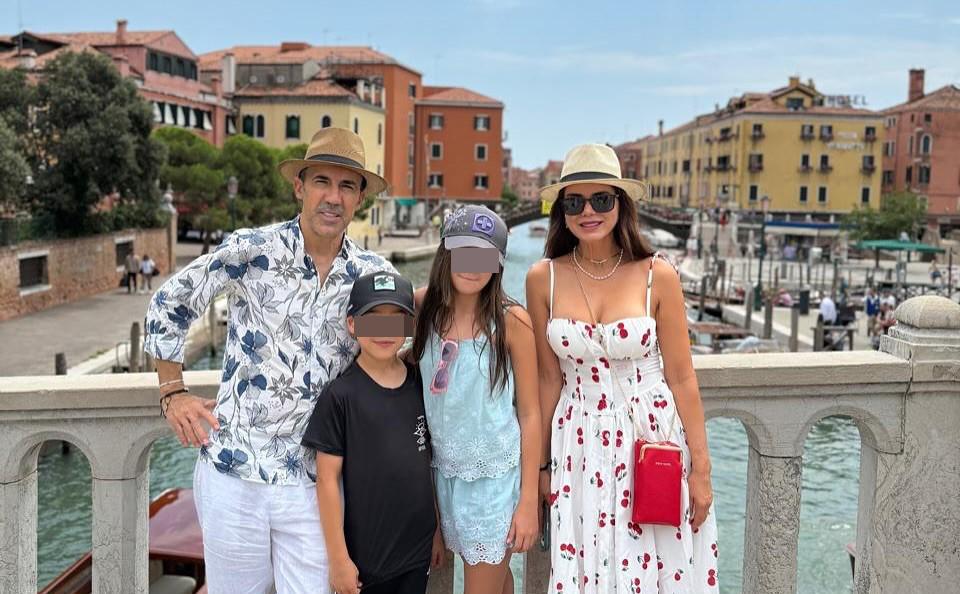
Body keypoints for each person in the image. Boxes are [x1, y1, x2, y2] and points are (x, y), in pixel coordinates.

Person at [144, 128, 396, 594]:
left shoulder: (372, 277)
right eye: (322, 182)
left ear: (360, 198)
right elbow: (170, 302)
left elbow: (415, 331)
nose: (333, 197)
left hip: (315, 483)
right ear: (299, 187)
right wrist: (172, 391)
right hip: (235, 473)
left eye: (347, 186)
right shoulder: (252, 250)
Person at [526, 143, 718, 592]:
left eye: (601, 199)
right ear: (561, 212)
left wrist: (702, 469)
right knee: (587, 566)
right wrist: (540, 466)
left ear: (621, 203)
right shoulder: (542, 278)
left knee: (657, 568)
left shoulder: (658, 274)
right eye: (574, 202)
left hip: (650, 439)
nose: (588, 212)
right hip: (577, 442)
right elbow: (548, 378)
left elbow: (682, 377)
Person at [411, 205, 540, 593]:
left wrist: (528, 502)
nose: (472, 266)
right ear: (446, 254)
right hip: (441, 475)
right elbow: (370, 330)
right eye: (463, 252)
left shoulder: (512, 322)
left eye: (484, 255)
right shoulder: (422, 308)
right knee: (498, 582)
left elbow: (530, 413)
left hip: (493, 482)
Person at [302, 271, 443, 594]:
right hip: (368, 560)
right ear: (352, 324)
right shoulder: (340, 396)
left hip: (417, 551)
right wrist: (338, 559)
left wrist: (435, 530)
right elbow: (326, 480)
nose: (385, 330)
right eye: (374, 318)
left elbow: (426, 464)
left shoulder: (419, 382)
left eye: (396, 319)